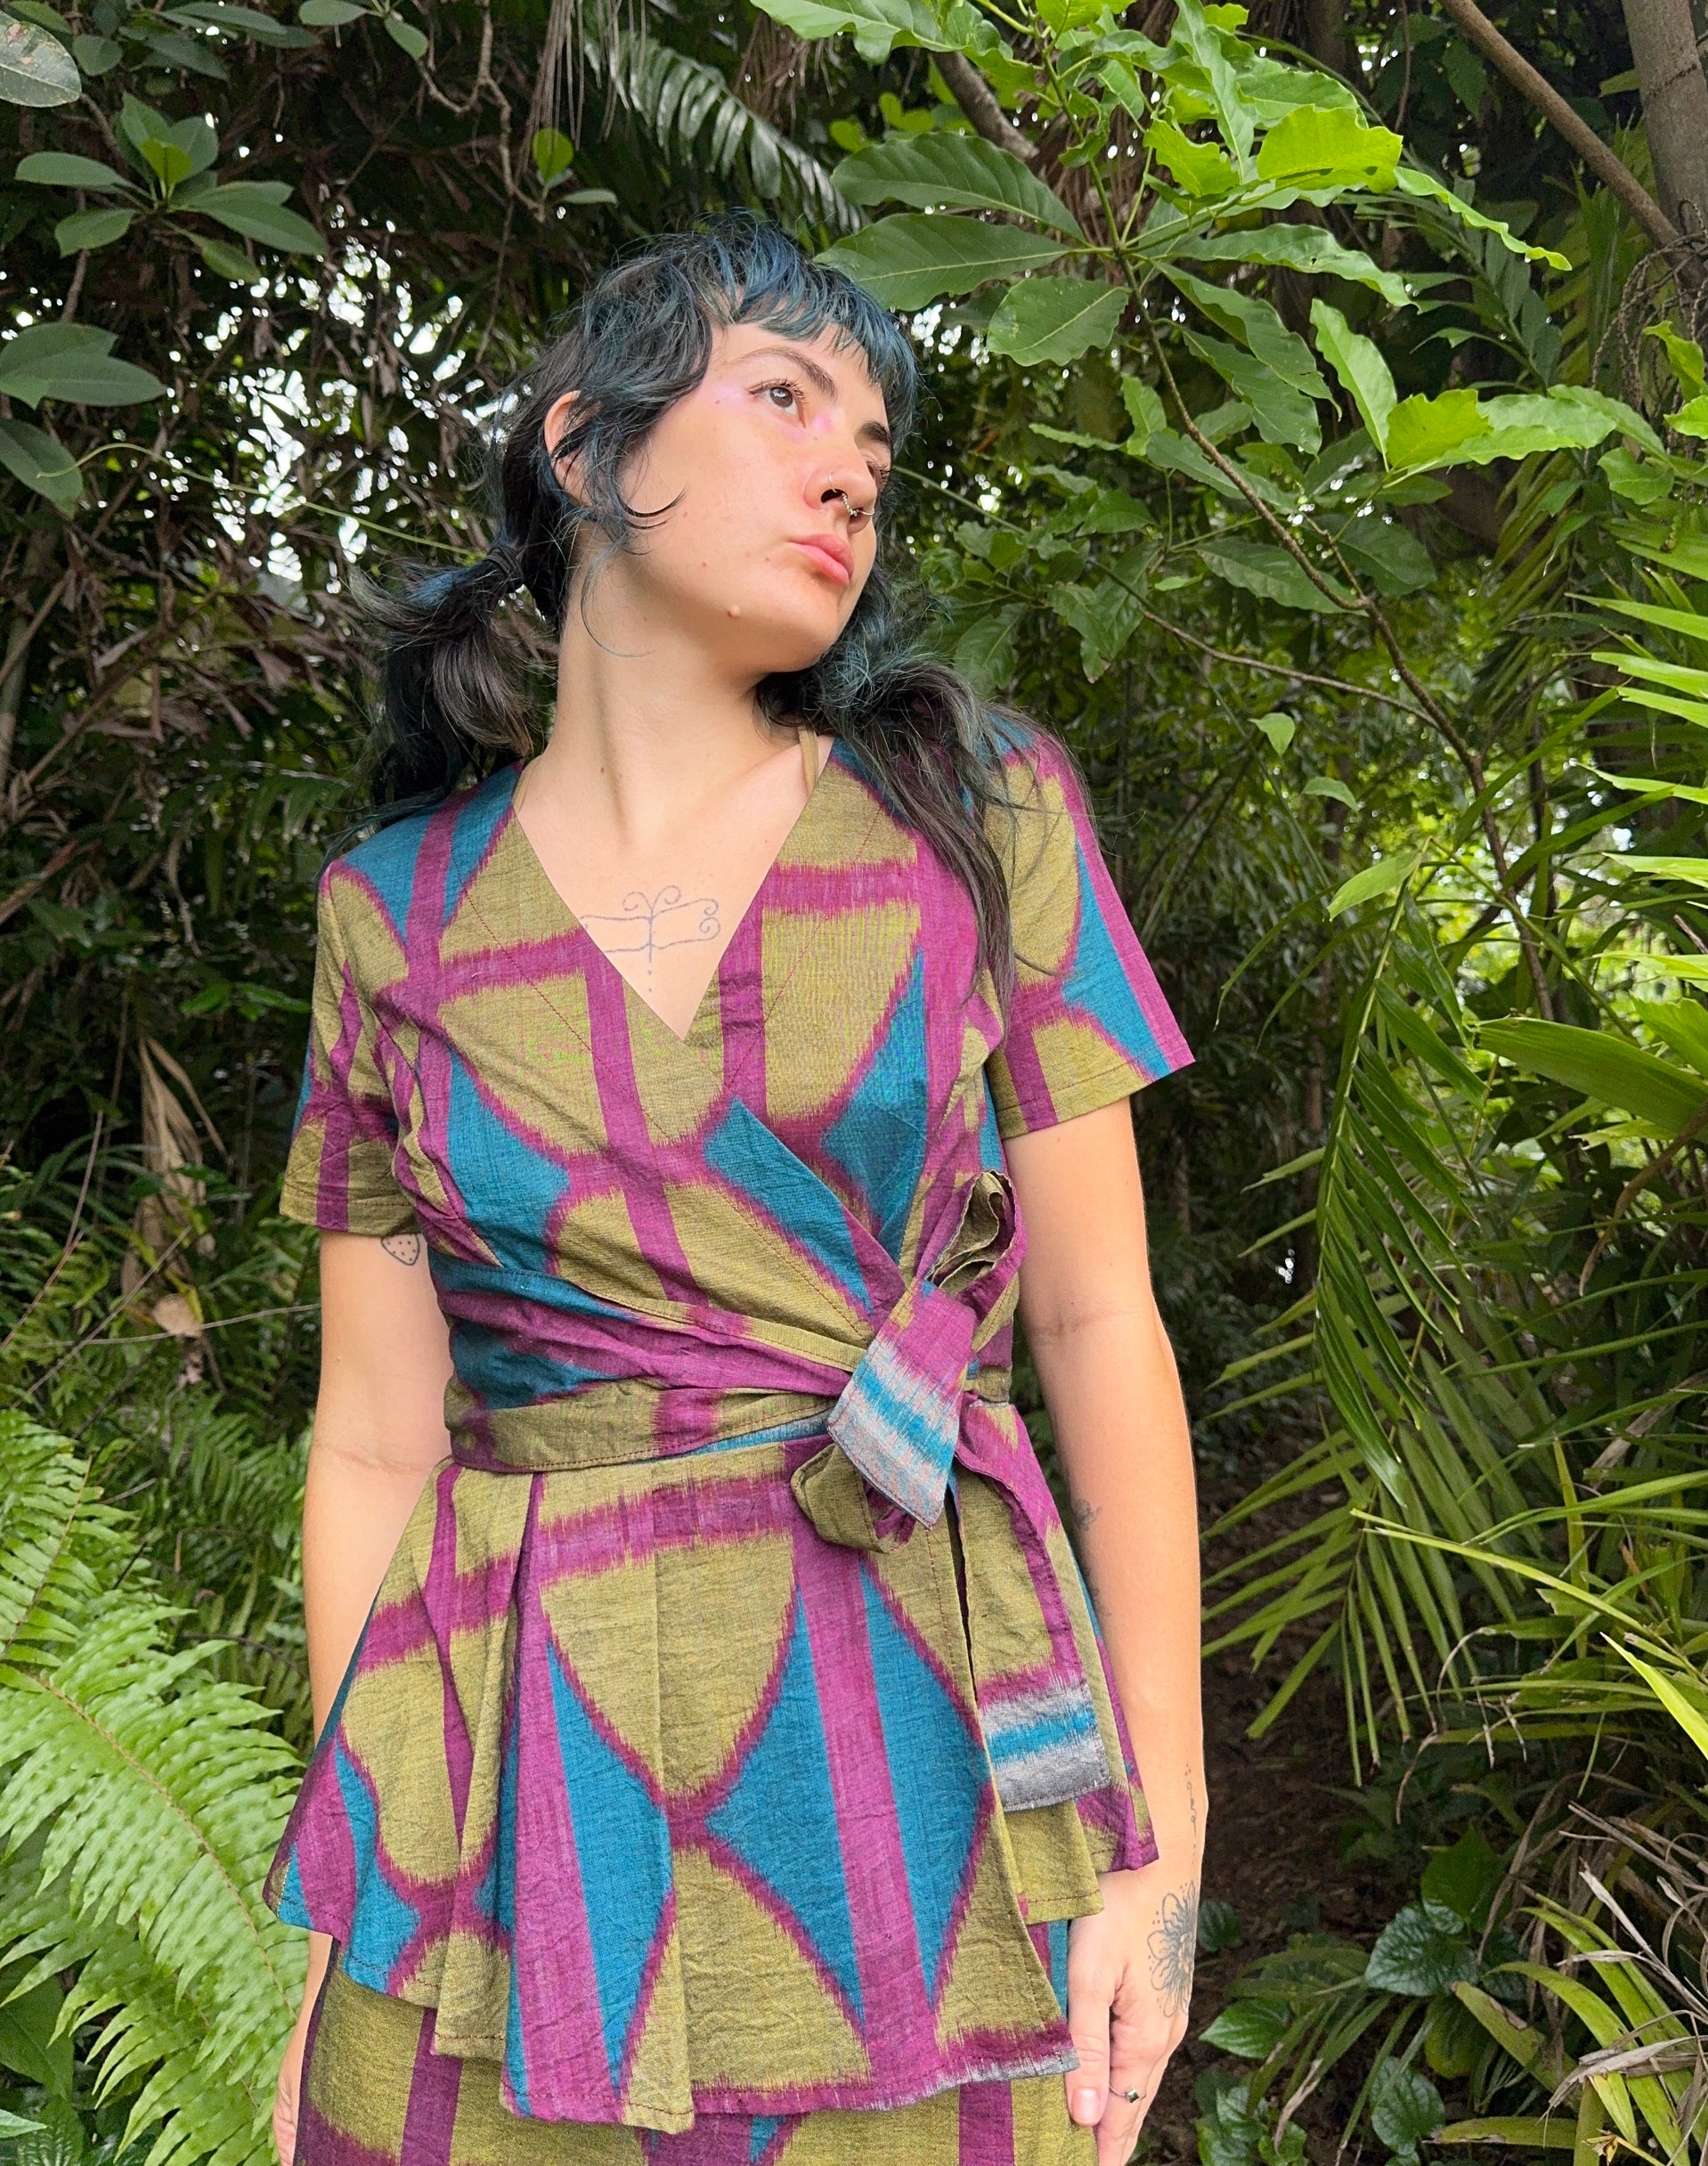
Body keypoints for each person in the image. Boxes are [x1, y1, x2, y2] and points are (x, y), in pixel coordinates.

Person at [268, 214, 1203, 2166]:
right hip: (512, 1806)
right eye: (783, 398)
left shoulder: (975, 819)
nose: (848, 471)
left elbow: (1094, 1315)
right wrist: (351, 1914)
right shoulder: (393, 918)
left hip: (931, 1752)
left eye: (872, 444)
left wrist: (1162, 1849)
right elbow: (370, 1442)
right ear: (585, 449)